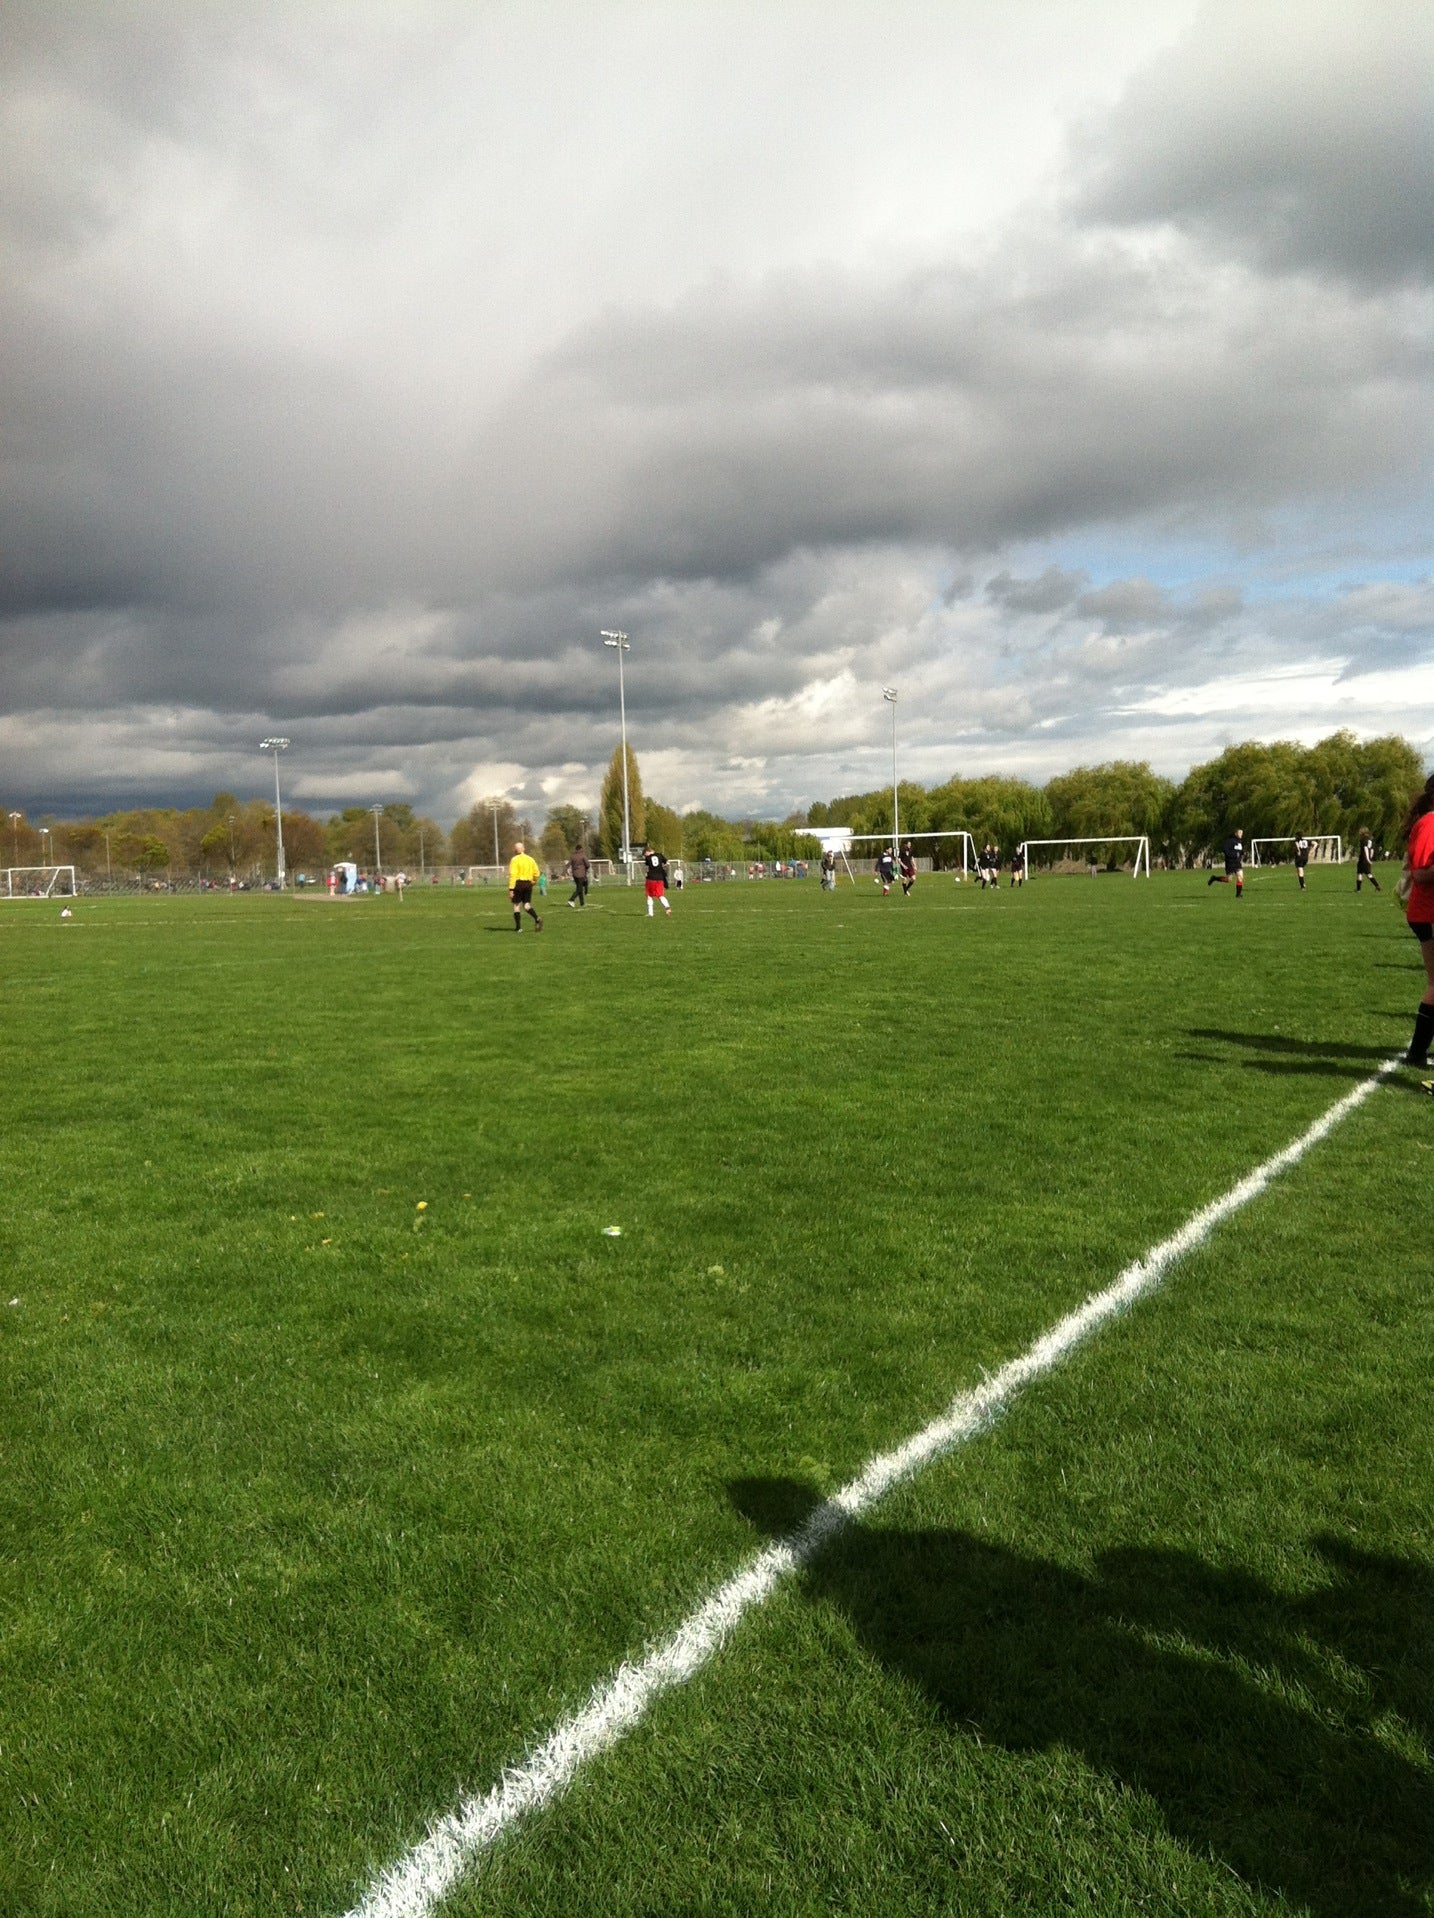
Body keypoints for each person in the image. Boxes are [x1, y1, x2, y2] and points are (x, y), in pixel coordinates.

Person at [1399, 775, 1434, 1069]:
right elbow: (1421, 873)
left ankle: (1418, 1053)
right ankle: (1416, 1052)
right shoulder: (1429, 823)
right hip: (1428, 912)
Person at [507, 840, 543, 931]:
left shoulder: (514, 860)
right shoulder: (530, 859)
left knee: (516, 905)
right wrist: (533, 882)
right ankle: (537, 918)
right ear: (524, 849)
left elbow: (513, 875)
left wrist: (511, 889)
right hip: (528, 884)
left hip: (518, 884)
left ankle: (518, 928)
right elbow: (537, 873)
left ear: (515, 850)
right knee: (527, 905)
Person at [1207, 827, 1245, 897]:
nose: (1241, 834)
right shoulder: (1230, 841)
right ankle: (1214, 878)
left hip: (1237, 863)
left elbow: (1240, 851)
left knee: (1240, 877)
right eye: (1240, 833)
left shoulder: (1240, 842)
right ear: (1236, 833)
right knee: (1228, 879)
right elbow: (1225, 850)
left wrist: (1242, 853)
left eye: (1242, 833)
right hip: (1230, 862)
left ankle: (1238, 895)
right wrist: (1233, 855)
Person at [642, 843, 673, 917]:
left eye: (645, 854)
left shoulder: (648, 858)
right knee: (660, 895)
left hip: (651, 878)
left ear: (647, 852)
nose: (645, 856)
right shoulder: (660, 855)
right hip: (660, 878)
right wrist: (662, 867)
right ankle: (667, 907)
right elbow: (667, 863)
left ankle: (650, 913)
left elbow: (647, 864)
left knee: (649, 895)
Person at [567, 842, 589, 908]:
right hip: (581, 874)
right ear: (581, 849)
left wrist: (563, 872)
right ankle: (571, 899)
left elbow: (568, 864)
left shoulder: (572, 856)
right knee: (579, 889)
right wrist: (585, 869)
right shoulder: (583, 855)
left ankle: (582, 903)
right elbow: (587, 864)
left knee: (580, 888)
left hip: (575, 875)